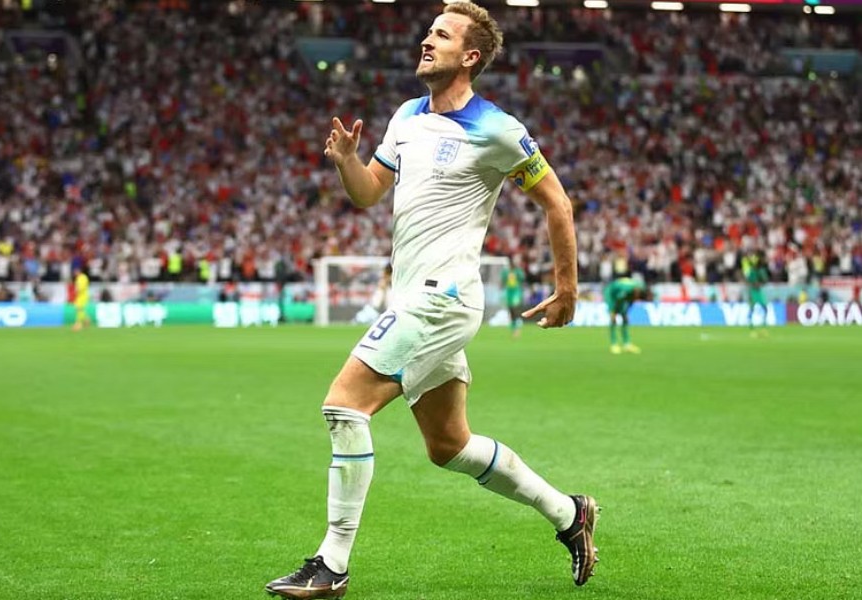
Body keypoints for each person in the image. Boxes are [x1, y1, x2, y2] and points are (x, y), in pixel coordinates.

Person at [265, 3, 596, 599]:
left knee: (345, 406)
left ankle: (331, 563)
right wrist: (346, 162)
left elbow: (557, 203)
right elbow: (369, 193)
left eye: (441, 35)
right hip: (411, 295)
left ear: (470, 56)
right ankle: (570, 515)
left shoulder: (497, 128)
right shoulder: (406, 117)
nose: (426, 40)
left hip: (442, 298)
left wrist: (567, 287)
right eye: (428, 31)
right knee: (450, 446)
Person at [604, 276, 646, 354]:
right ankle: (614, 344)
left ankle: (627, 344)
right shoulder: (625, 289)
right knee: (613, 319)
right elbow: (616, 300)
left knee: (625, 319)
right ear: (636, 290)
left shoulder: (636, 291)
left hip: (621, 298)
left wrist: (626, 312)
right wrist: (612, 311)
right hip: (611, 293)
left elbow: (630, 302)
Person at [741, 251, 769, 336]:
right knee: (752, 309)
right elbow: (747, 281)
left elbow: (765, 280)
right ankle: (751, 328)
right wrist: (753, 285)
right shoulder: (752, 271)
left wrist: (760, 283)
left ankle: (763, 327)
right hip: (753, 291)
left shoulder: (761, 270)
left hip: (759, 291)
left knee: (764, 308)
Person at [500, 254, 526, 337]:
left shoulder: (518, 271)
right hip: (508, 293)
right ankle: (513, 328)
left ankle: (517, 329)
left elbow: (522, 278)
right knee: (510, 311)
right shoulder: (506, 272)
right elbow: (503, 280)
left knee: (515, 310)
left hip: (516, 292)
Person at [72, 266, 91, 331]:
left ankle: (78, 324)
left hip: (83, 296)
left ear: (79, 271)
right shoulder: (79, 278)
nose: (74, 273)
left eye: (75, 271)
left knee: (79, 309)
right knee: (79, 309)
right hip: (80, 296)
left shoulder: (82, 277)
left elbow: (81, 287)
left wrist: (77, 289)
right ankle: (86, 319)